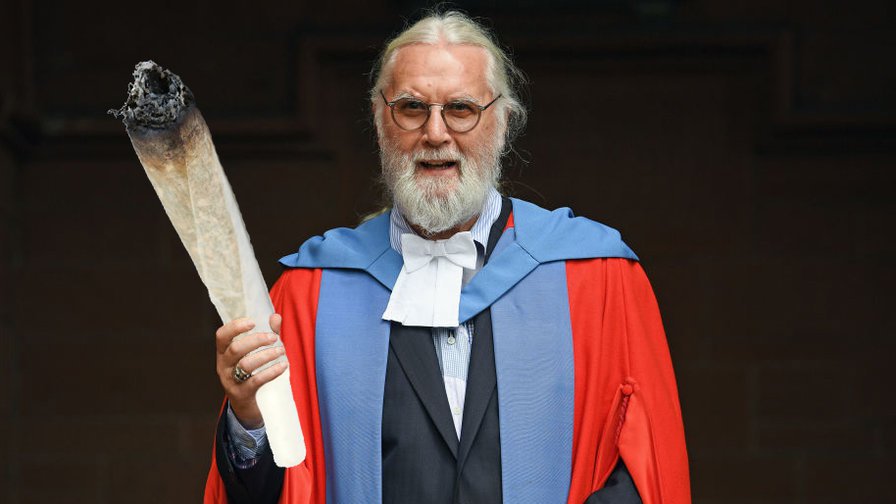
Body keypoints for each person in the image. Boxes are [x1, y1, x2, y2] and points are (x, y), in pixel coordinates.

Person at [204, 10, 690, 504]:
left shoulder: (597, 277)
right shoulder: (311, 293)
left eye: (461, 109)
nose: (436, 133)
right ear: (379, 119)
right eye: (412, 108)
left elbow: (643, 471)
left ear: (502, 120)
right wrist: (249, 419)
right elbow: (275, 487)